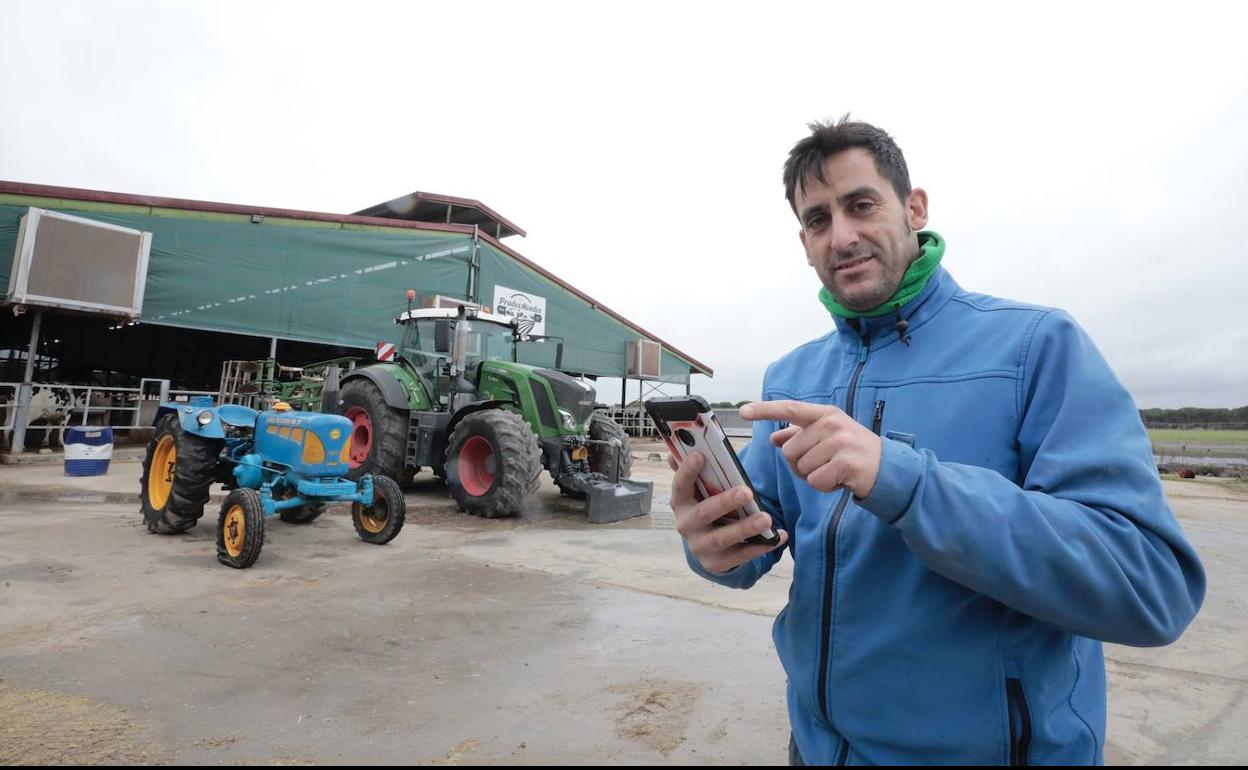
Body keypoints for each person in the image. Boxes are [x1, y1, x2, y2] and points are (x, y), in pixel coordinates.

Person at [671, 117, 1206, 765]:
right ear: (804, 241)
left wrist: (905, 481)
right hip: (817, 752)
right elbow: (758, 546)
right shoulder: (792, 377)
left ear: (914, 207)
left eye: (860, 204)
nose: (841, 236)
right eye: (817, 220)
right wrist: (713, 543)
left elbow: (1150, 589)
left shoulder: (1035, 348)